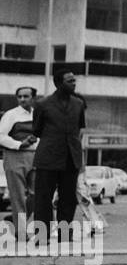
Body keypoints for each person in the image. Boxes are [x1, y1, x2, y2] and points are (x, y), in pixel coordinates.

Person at [30, 69, 87, 244]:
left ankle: (64, 233)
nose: (73, 83)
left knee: (68, 198)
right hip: (48, 157)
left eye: (74, 80)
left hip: (71, 158)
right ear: (58, 83)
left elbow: (79, 128)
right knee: (43, 198)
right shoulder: (42, 105)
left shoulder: (78, 104)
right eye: (69, 81)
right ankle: (42, 235)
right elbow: (37, 130)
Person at [0, 85, 39, 231]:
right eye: (19, 97)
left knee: (37, 193)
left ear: (33, 98)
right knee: (18, 196)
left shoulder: (37, 115)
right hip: (14, 156)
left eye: (26, 96)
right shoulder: (11, 115)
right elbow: (1, 136)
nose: (22, 99)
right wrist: (19, 144)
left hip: (34, 156)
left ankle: (17, 220)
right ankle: (21, 231)